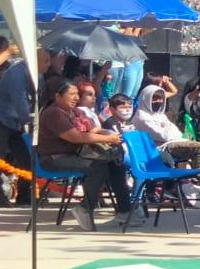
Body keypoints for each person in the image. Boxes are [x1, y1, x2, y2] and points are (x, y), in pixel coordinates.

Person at [36, 78, 131, 231]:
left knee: (115, 163)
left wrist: (104, 133)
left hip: (77, 154)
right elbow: (76, 137)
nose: (76, 98)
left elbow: (93, 128)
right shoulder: (53, 113)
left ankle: (125, 211)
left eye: (77, 94)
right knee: (98, 167)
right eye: (71, 94)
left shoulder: (75, 112)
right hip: (55, 158)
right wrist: (107, 138)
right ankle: (85, 208)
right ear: (57, 96)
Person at [0, 46, 54, 205]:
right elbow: (20, 100)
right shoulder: (17, 73)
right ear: (34, 60)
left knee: (27, 158)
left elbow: (37, 100)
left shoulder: (38, 75)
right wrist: (30, 123)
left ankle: (25, 195)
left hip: (16, 121)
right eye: (46, 61)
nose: (49, 64)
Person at [131, 85, 200, 173]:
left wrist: (168, 130)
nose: (158, 101)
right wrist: (169, 130)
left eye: (160, 98)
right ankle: (195, 177)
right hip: (160, 148)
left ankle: (188, 179)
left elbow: (177, 133)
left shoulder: (160, 115)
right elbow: (163, 136)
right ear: (146, 98)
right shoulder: (142, 117)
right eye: (154, 98)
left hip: (174, 142)